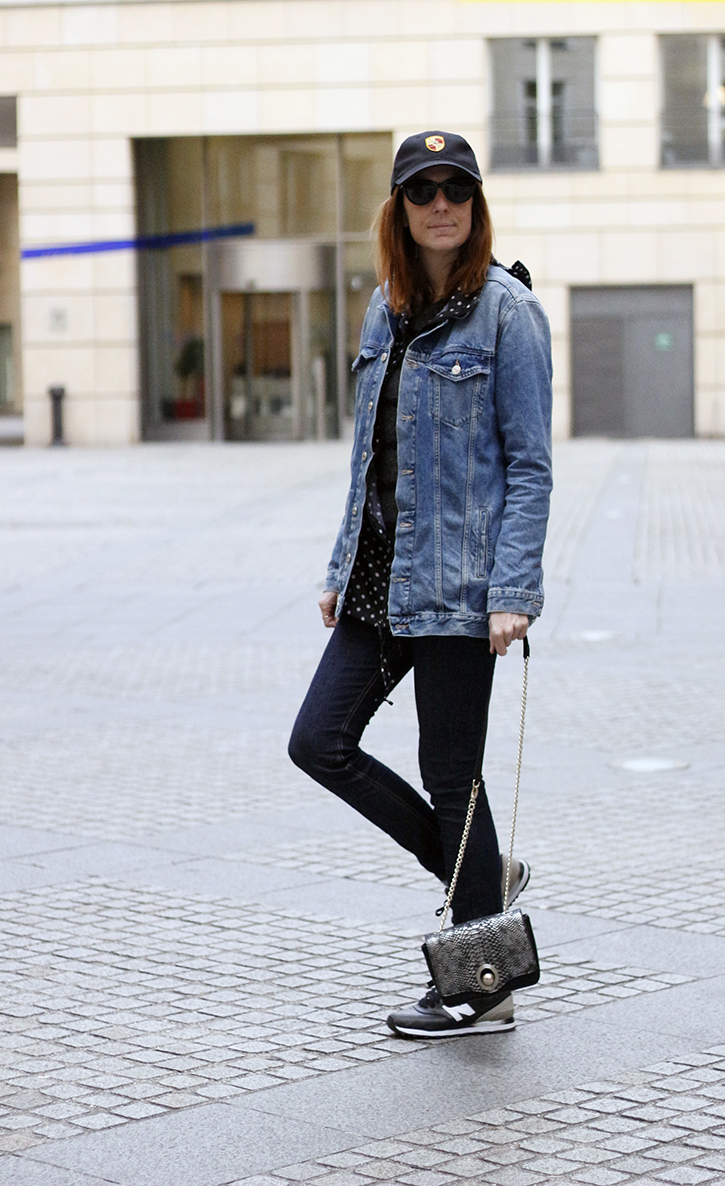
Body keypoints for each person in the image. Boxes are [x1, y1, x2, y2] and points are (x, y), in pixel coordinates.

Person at [289, 130, 552, 1039]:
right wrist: (340, 566)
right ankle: (476, 872)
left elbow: (530, 466)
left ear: (475, 205)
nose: (441, 204)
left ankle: (484, 988)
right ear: (398, 209)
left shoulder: (509, 314)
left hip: (462, 585)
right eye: (422, 190)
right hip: (379, 577)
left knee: (451, 776)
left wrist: (512, 590)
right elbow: (368, 456)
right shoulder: (384, 307)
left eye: (456, 190)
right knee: (318, 741)